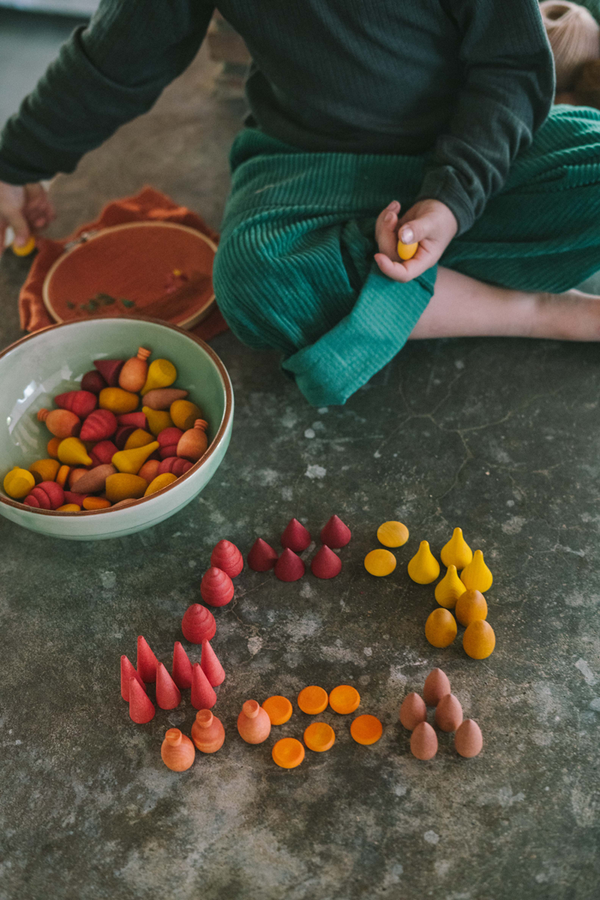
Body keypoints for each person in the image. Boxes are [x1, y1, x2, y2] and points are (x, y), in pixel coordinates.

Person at [1, 0, 600, 406]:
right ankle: (534, 310)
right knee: (260, 284)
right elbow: (114, 58)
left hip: (473, 140)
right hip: (311, 160)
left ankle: (405, 278)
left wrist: (451, 198)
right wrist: (13, 165)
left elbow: (512, 66)